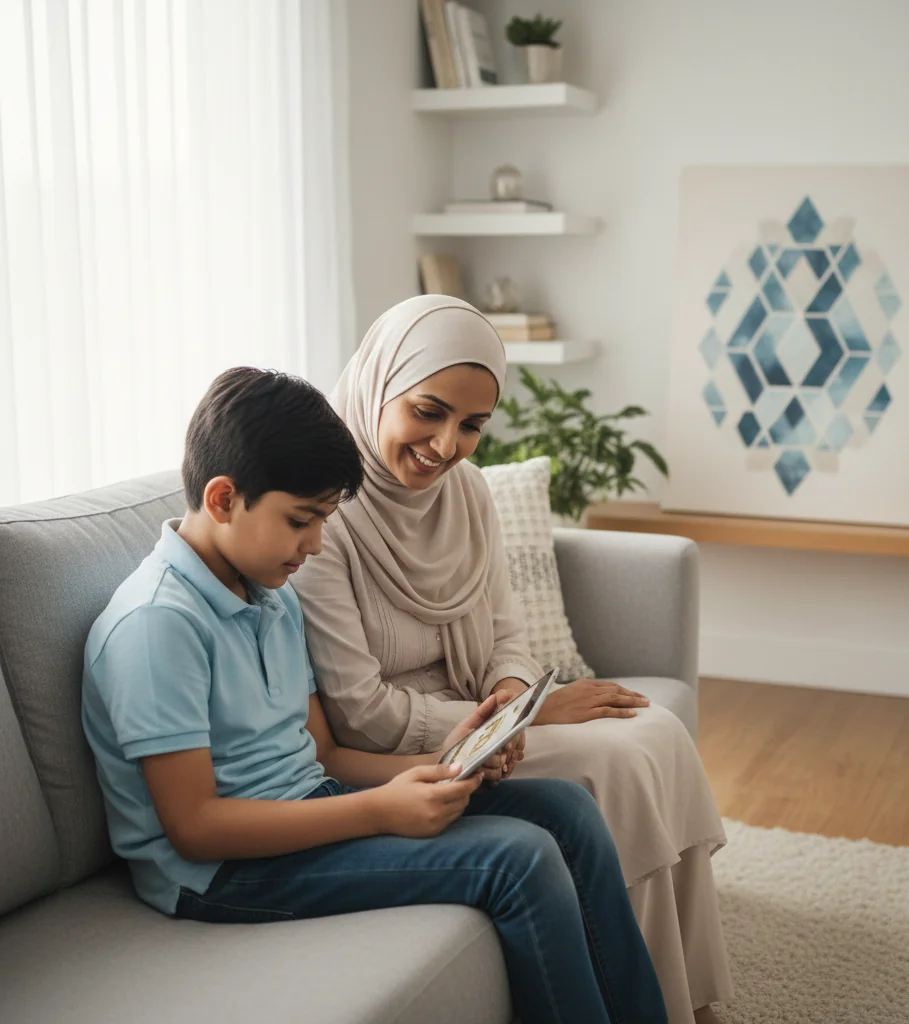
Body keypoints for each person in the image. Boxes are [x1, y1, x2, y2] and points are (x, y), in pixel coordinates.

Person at [80, 367, 668, 1024]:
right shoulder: (158, 625)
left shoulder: (271, 595)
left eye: (324, 521)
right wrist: (381, 812)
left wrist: (440, 766)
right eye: (301, 521)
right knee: (516, 859)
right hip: (221, 873)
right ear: (222, 499)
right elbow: (195, 828)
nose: (316, 545)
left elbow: (322, 754)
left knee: (567, 809)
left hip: (308, 807)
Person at [292, 296, 734, 1024]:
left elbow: (507, 635)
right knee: (616, 764)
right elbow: (359, 710)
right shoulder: (323, 513)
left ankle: (683, 997)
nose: (447, 444)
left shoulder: (466, 492)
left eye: (471, 425)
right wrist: (497, 718)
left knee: (651, 730)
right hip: (420, 742)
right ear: (379, 385)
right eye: (428, 412)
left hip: (488, 719)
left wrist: (515, 697)